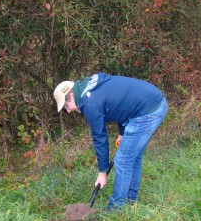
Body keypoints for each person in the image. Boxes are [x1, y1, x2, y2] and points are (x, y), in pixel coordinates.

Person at [54, 72, 168, 211]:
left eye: (66, 107)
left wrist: (102, 172)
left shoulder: (90, 103)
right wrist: (122, 133)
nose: (69, 111)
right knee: (133, 156)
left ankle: (115, 210)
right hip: (150, 104)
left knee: (123, 160)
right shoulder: (90, 88)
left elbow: (100, 137)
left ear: (71, 95)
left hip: (148, 111)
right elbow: (121, 105)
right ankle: (131, 200)